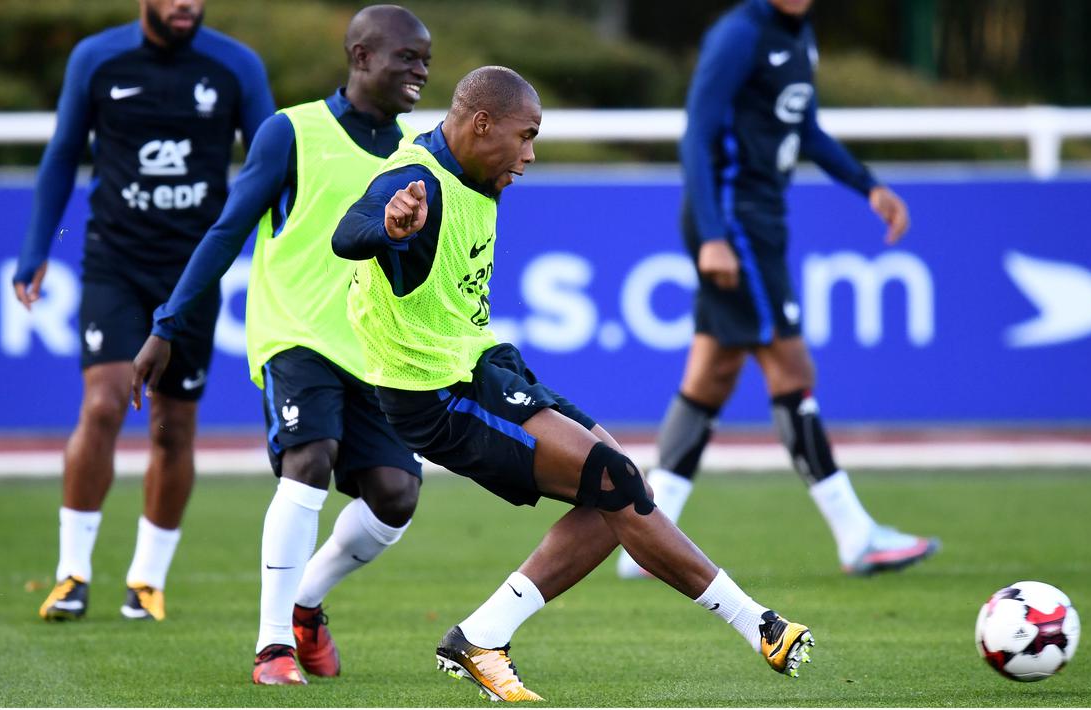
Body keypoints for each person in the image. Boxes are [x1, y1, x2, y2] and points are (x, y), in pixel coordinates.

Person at [332, 65, 816, 702]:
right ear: (481, 125)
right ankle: (757, 623)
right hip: (434, 391)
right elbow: (350, 232)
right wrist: (388, 228)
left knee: (618, 487)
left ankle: (482, 635)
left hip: (481, 361)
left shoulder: (465, 162)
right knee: (613, 480)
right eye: (525, 136)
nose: (530, 156)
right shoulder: (415, 181)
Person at [129, 5, 431, 686]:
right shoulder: (292, 130)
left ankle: (306, 603)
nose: (419, 71)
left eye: (425, 62)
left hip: (374, 349)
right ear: (359, 56)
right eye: (405, 57)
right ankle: (272, 649)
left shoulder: (419, 152)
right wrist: (168, 323)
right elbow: (226, 229)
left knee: (396, 497)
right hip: (294, 334)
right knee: (310, 457)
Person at [615, 0, 939, 581]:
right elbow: (697, 137)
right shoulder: (739, 35)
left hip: (759, 217)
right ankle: (855, 535)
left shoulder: (799, 34)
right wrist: (714, 236)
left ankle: (646, 535)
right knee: (792, 370)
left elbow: (805, 129)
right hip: (736, 223)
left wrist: (868, 186)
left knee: (709, 377)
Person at [15, 0, 273, 623]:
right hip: (115, 261)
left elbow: (274, 164)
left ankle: (146, 582)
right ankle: (72, 574)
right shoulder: (98, 58)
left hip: (194, 272)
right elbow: (62, 153)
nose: (186, 4)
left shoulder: (236, 65)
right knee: (103, 404)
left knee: (173, 427)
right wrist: (34, 248)